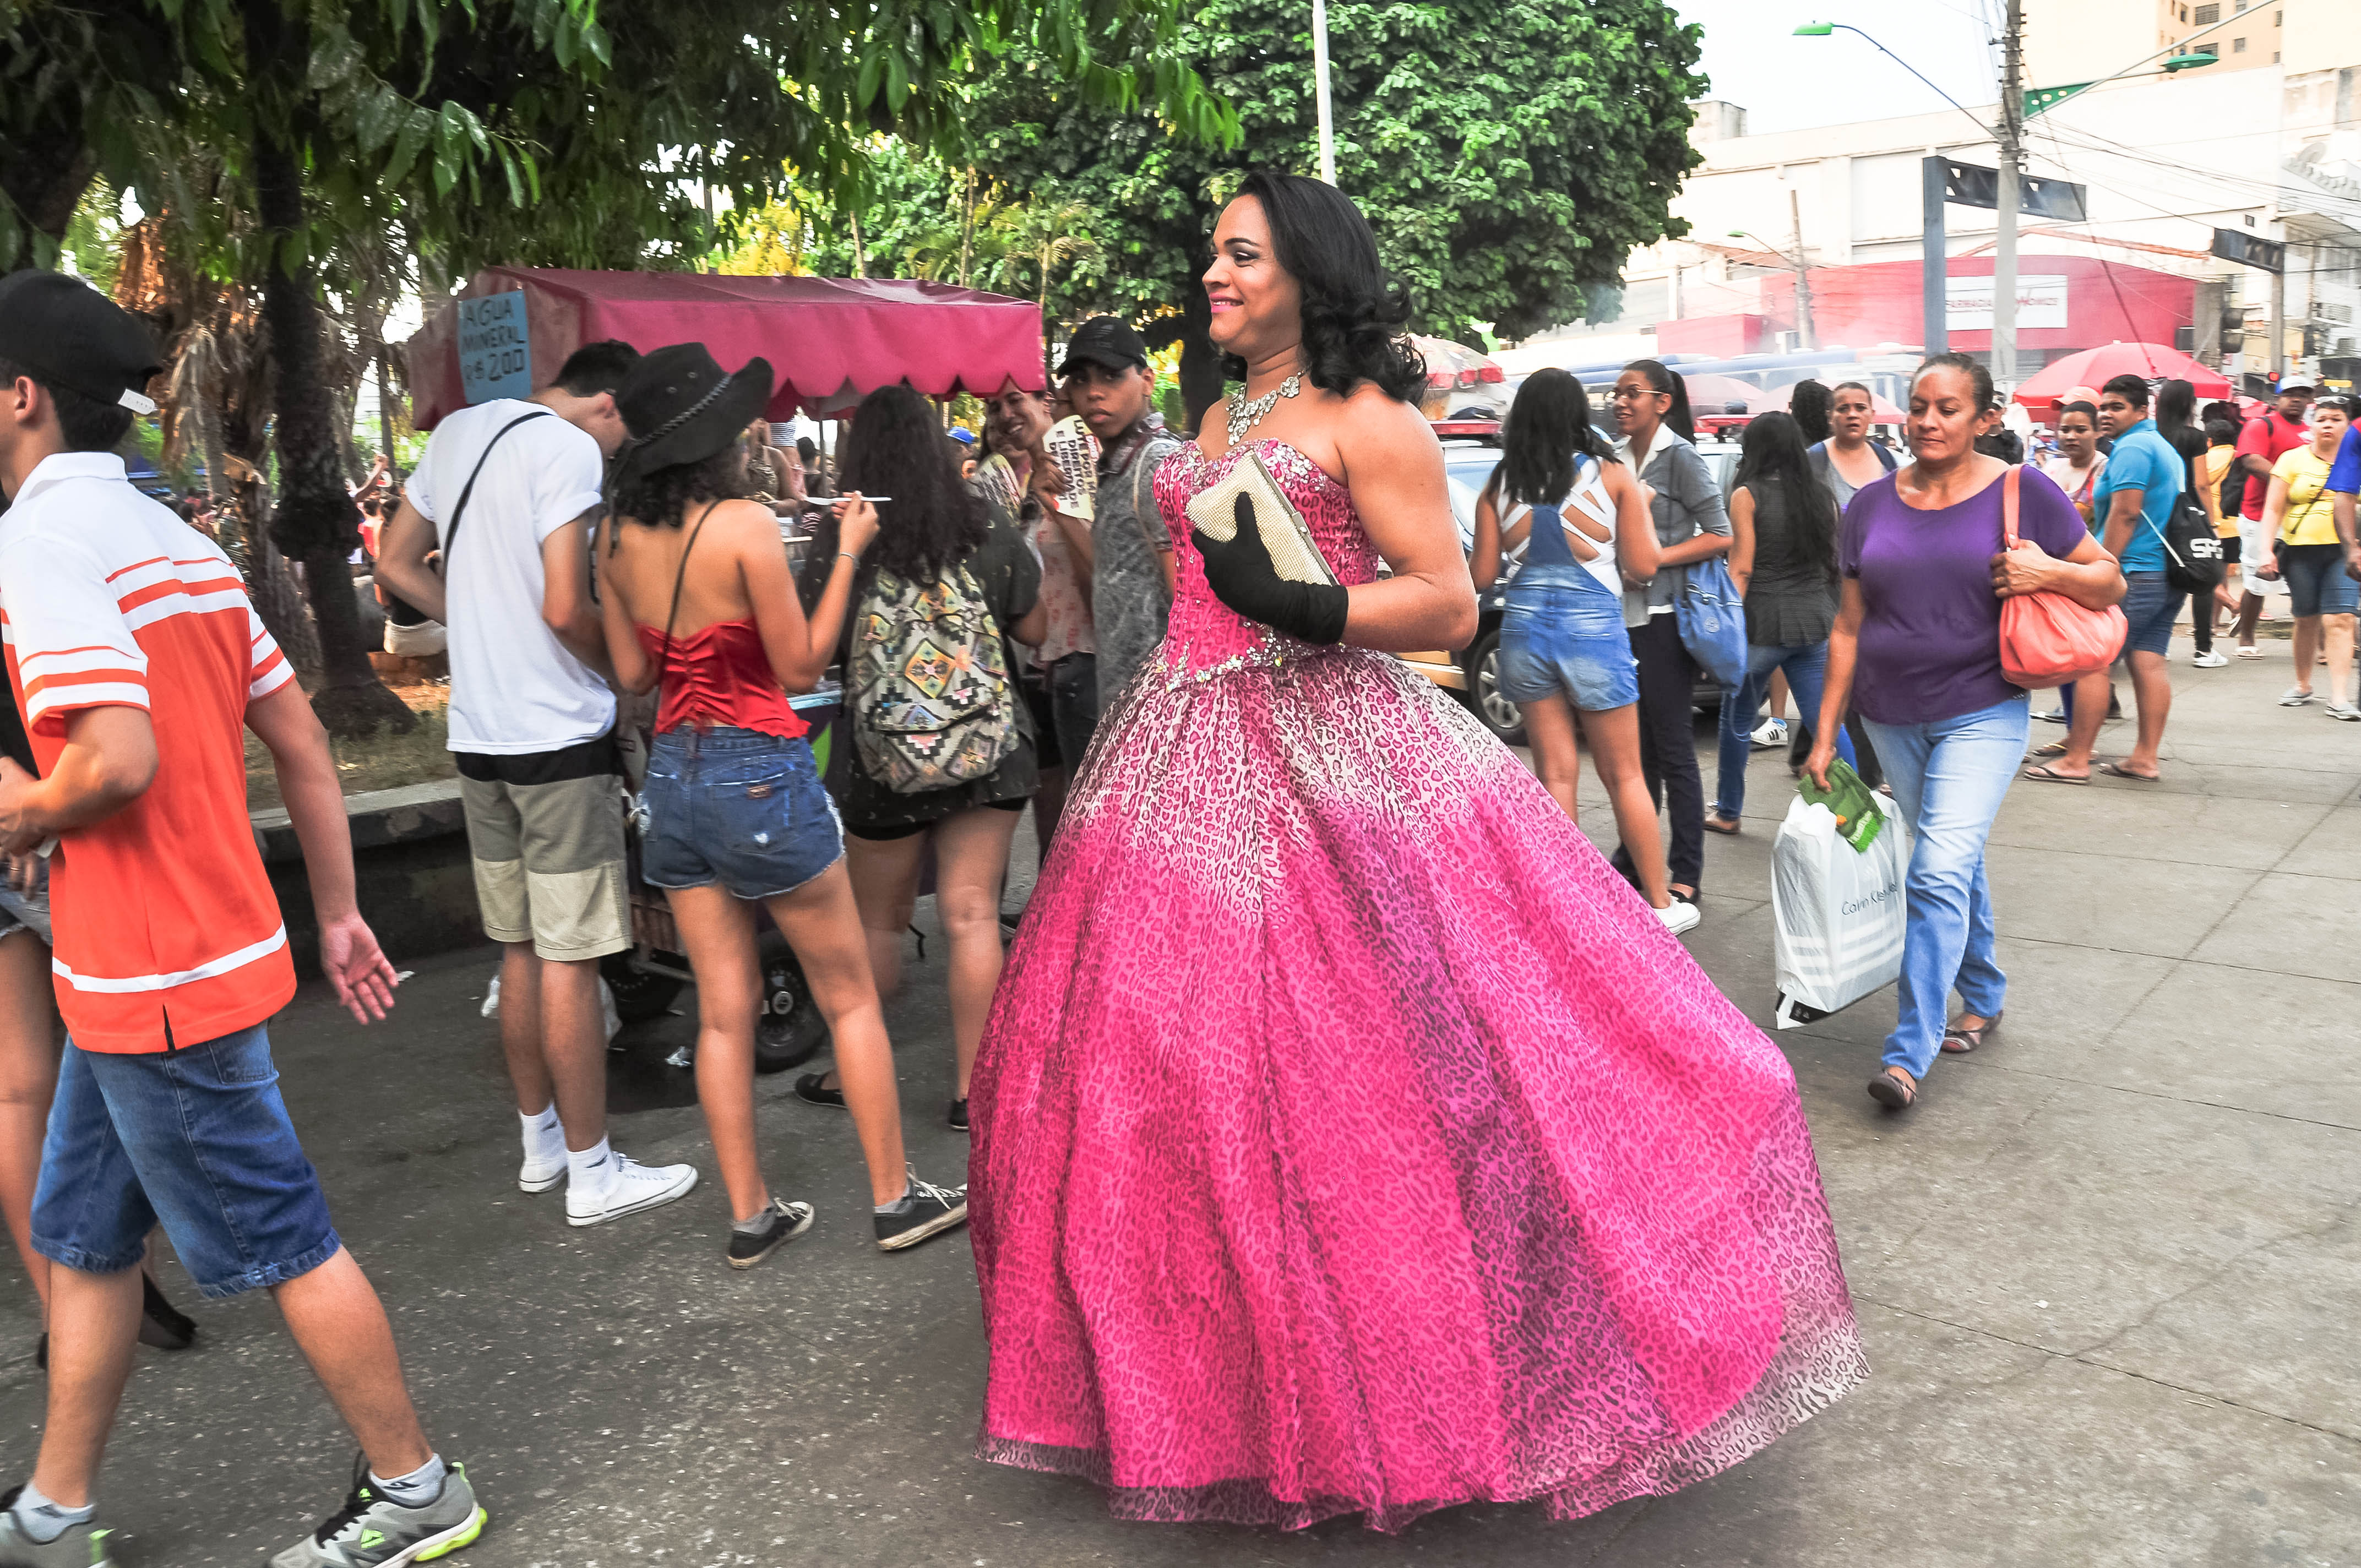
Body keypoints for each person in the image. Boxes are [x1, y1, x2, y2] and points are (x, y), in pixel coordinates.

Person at [969, 170, 1864, 1530]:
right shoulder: (1214, 415)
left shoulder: (1370, 417)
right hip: (1177, 755)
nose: (1213, 275)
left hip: (1335, 751)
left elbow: (1446, 600)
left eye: (1242, 255)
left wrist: (1317, 605)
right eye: (1212, 253)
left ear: (1309, 273)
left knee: (1398, 1067)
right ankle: (1214, 1381)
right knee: (1175, 1076)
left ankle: (1418, 1362)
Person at [0, 270, 486, 1567]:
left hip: (154, 978)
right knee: (82, 1237)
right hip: (156, 966)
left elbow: (116, 758)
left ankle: (418, 1486)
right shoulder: (174, 540)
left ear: (22, 395)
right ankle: (51, 1515)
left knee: (285, 1239)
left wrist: (26, 810)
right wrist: (338, 912)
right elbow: (303, 743)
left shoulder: (38, 542)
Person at [594, 346, 969, 1259]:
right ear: (714, 443)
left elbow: (634, 674)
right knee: (848, 997)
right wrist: (847, 552)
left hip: (673, 777)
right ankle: (894, 1200)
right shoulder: (744, 525)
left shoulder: (611, 538)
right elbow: (800, 665)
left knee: (723, 1011)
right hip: (758, 767)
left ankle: (751, 1215)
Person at [377, 340, 703, 1227]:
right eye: (624, 436)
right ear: (607, 405)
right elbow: (565, 606)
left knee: (520, 947)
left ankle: (542, 1146)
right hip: (556, 738)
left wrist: (477, 624)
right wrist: (622, 673)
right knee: (571, 955)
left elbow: (396, 563)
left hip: (480, 737)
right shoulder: (566, 450)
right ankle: (595, 1174)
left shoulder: (457, 434)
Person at [1809, 352, 2124, 1109]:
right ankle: (1983, 990)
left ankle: (1907, 1053)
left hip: (1983, 709)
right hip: (1888, 715)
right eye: (1919, 406)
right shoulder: (1870, 506)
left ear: (1985, 418)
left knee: (1936, 870)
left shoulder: (2024, 490)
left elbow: (2109, 577)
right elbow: (1847, 628)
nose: (1927, 421)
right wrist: (1823, 736)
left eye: (1947, 408)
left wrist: (2049, 572)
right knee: (1951, 859)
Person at [794, 384, 1045, 1134]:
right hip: (990, 752)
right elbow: (1033, 629)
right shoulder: (983, 521)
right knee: (971, 916)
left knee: (877, 922)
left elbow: (818, 644)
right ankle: (973, 1093)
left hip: (886, 764)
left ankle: (852, 1071)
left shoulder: (843, 534)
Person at [1469, 369, 1687, 930]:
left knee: (1556, 773)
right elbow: (1643, 566)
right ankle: (1660, 905)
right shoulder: (1613, 474)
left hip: (1523, 630)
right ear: (1576, 414)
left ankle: (1565, 907)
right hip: (1594, 632)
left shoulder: (1500, 482)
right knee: (1625, 774)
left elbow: (1483, 574)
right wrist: (1640, 505)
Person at [1608, 358, 1731, 910]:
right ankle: (1636, 857)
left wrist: (1656, 558)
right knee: (1638, 752)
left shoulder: (1679, 457)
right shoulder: (1613, 457)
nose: (1621, 402)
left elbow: (1721, 533)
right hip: (1622, 619)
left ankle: (1686, 871)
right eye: (1617, 393)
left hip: (1666, 619)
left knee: (1674, 748)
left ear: (1661, 401)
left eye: (1632, 393)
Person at [1707, 411, 1854, 836]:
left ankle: (1729, 811)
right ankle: (1855, 814)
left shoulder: (1747, 495)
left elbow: (1742, 569)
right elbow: (1833, 564)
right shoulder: (1822, 496)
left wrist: (1725, 627)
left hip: (1762, 627)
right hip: (1815, 623)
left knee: (1736, 721)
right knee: (1825, 724)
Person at [982, 379, 1097, 846]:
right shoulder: (1021, 477)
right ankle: (1050, 890)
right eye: (995, 407)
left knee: (1087, 811)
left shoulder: (1077, 456)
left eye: (1015, 401)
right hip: (1041, 664)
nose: (1005, 415)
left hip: (1083, 660)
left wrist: (1054, 506)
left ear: (1044, 401)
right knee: (1049, 796)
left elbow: (1100, 564)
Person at [1059, 317, 1185, 709]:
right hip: (1124, 700)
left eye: (1111, 376)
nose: (1094, 392)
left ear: (1147, 381)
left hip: (1161, 707)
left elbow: (1190, 604)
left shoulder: (1157, 463)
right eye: (1080, 380)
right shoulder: (1117, 466)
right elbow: (1112, 573)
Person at [2255, 396, 2358, 718]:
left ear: (2348, 426)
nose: (2328, 425)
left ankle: (2339, 697)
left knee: (2340, 618)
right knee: (2306, 618)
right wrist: (2265, 550)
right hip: (2300, 551)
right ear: (2312, 425)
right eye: (2322, 419)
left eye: (2336, 419)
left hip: (2344, 552)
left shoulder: (2357, 459)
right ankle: (2303, 684)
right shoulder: (2291, 460)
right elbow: (2273, 510)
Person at [2229, 384, 2314, 652]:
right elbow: (2251, 460)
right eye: (2290, 395)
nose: (2296, 400)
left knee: (2306, 578)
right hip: (2260, 515)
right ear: (2279, 398)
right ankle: (2247, 638)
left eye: (2302, 395)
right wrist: (2291, 483)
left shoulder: (2311, 432)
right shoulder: (2262, 425)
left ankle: (2322, 644)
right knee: (2258, 580)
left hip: (2300, 517)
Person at [2156, 379, 2228, 668]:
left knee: (2163, 577)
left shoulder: (2153, 435)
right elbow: (2201, 483)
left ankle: (2158, 645)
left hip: (2159, 512)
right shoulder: (2195, 437)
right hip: (2189, 513)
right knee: (2202, 576)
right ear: (2189, 404)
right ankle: (2204, 650)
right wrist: (2211, 522)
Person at [2202, 417, 2245, 645]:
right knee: (2220, 576)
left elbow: (2198, 484)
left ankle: (2235, 606)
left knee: (2204, 576)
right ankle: (2213, 625)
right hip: (2235, 526)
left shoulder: (2207, 458)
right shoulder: (2239, 456)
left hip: (2213, 525)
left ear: (2209, 441)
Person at [2038, 401, 2107, 524]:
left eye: (2081, 430)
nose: (2071, 437)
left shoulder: (2105, 470)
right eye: (2065, 430)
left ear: (2098, 432)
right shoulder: (2052, 467)